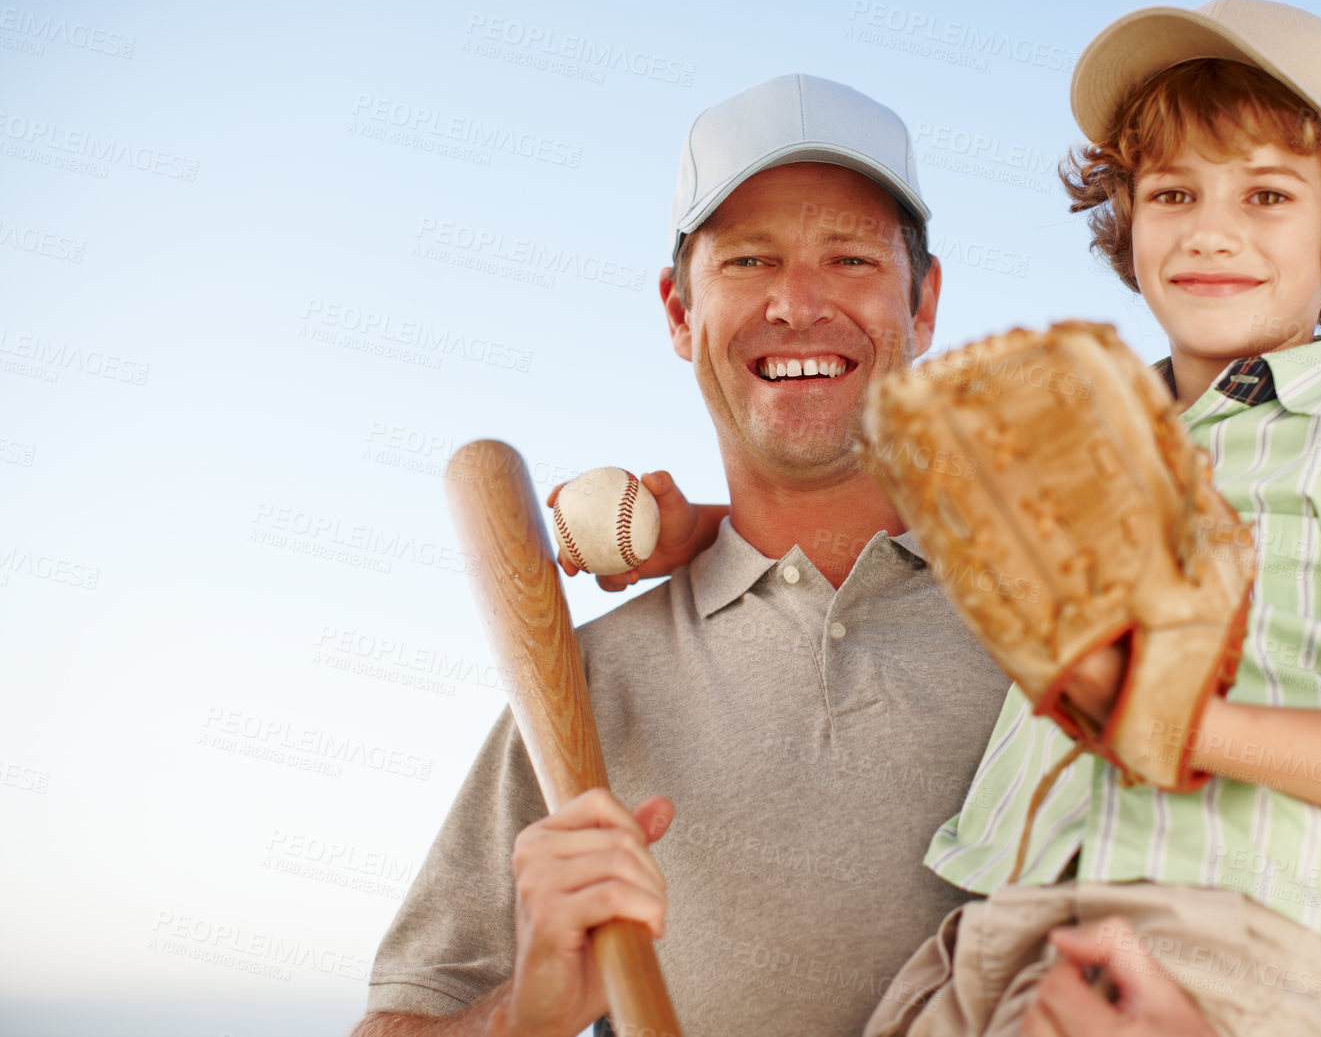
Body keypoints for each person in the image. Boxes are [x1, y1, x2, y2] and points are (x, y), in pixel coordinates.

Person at [866, 0, 1321, 1037]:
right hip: (988, 926)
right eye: (1172, 192)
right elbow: (910, 546)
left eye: (1265, 194)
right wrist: (694, 522)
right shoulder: (1076, 445)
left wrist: (1190, 726)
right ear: (1128, 228)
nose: (1212, 229)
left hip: (1234, 938)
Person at [348, 74, 1018, 1037]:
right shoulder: (584, 684)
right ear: (677, 310)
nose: (797, 302)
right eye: (748, 261)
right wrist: (524, 1012)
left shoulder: (1055, 642)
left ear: (923, 304)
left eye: (849, 258)